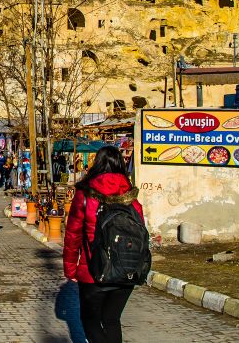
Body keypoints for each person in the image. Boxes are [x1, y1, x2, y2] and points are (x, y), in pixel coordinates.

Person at [62, 146, 145, 343]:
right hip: (126, 268)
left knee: (89, 319)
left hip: (94, 270)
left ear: (96, 164)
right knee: (112, 320)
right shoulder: (131, 196)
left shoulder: (85, 195)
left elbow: (73, 235)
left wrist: (70, 269)